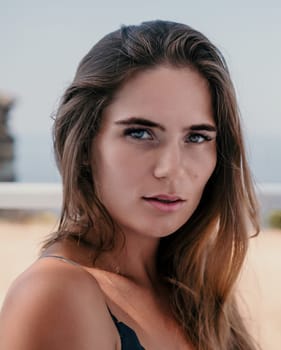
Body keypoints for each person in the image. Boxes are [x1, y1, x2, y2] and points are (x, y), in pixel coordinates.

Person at [0, 20, 260, 350]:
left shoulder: (192, 289)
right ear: (84, 145)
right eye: (139, 133)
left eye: (196, 137)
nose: (170, 169)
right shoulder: (55, 292)